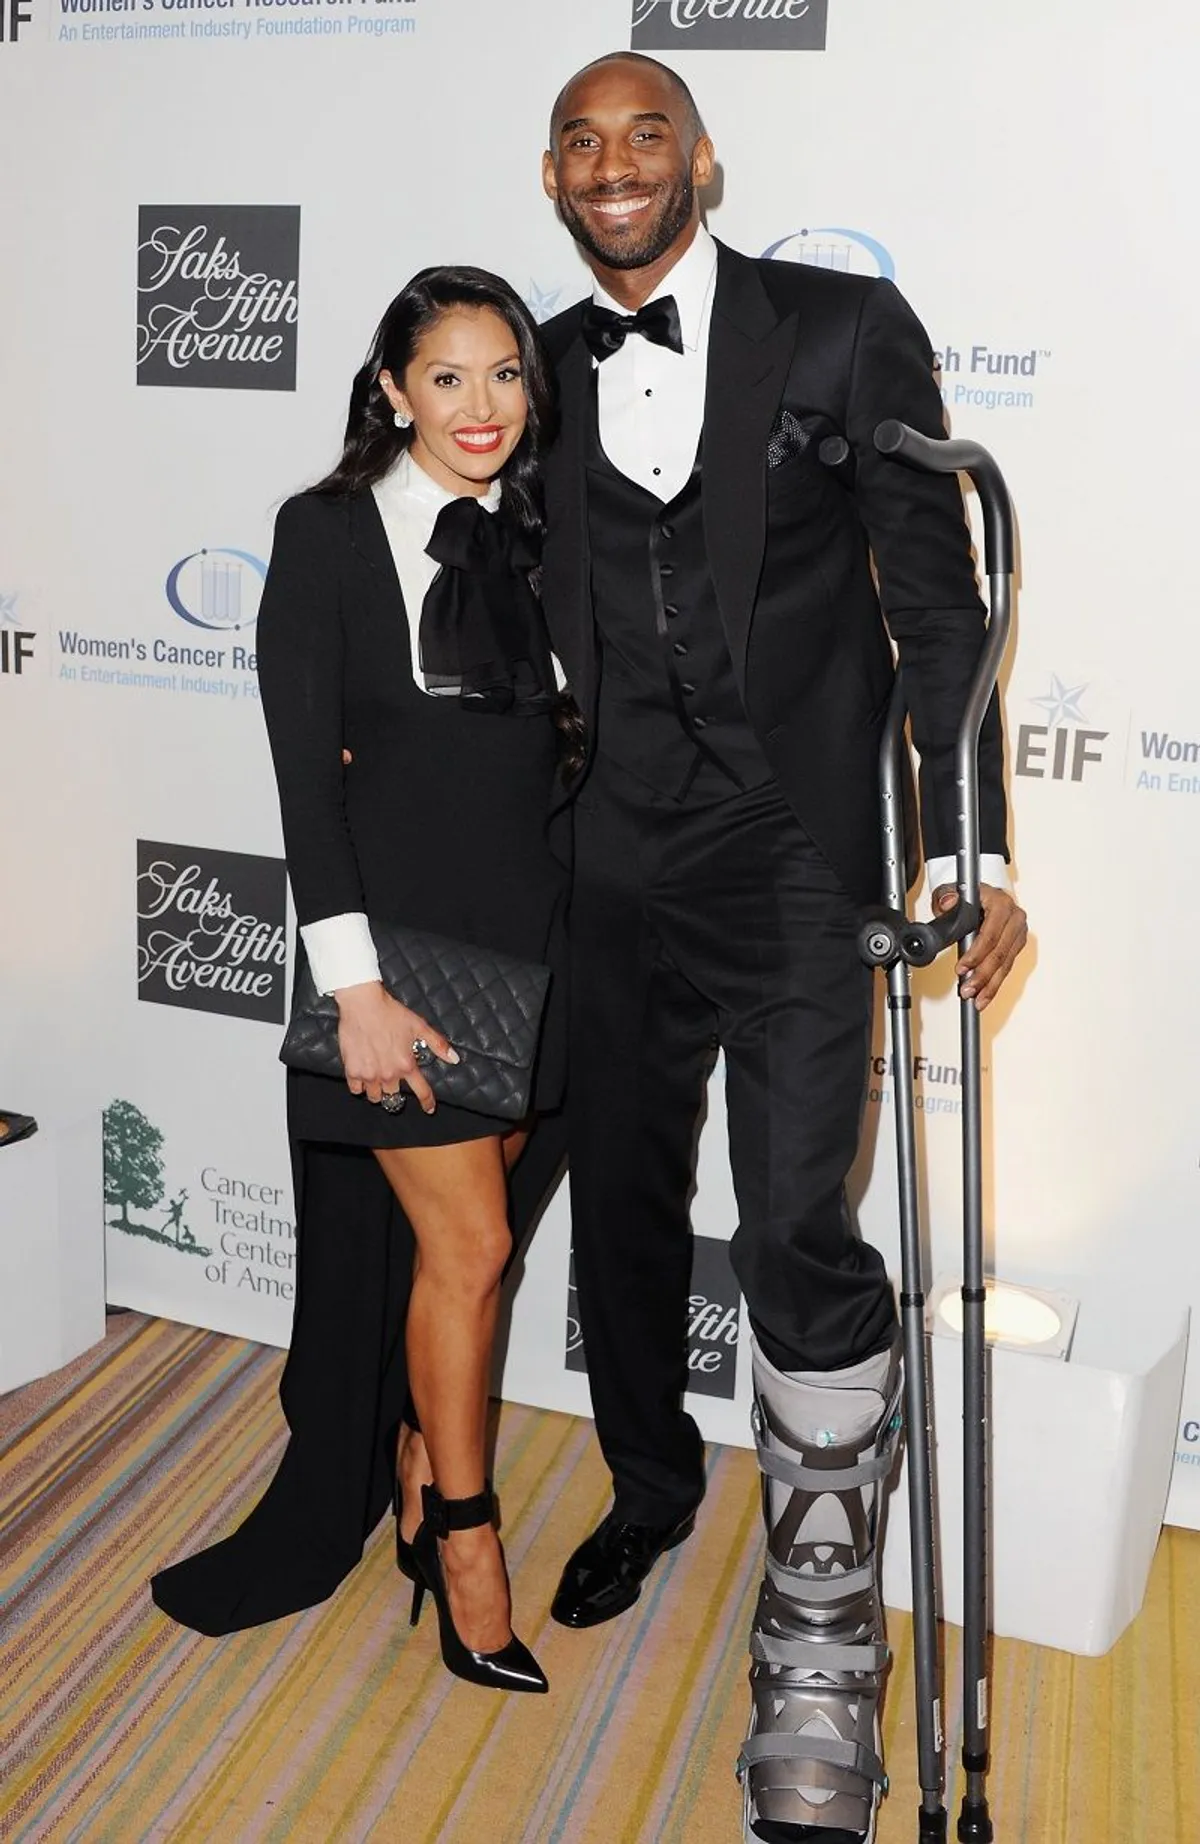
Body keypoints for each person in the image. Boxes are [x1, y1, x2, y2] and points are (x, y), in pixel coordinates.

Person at [538, 52, 1028, 1841]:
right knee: (623, 1199)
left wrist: (967, 849)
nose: (614, 167)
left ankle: (819, 1614)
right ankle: (654, 1488)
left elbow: (935, 601)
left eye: (643, 134)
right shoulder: (528, 363)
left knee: (798, 1212)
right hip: (602, 865)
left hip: (803, 862)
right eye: (582, 143)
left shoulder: (838, 328)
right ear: (550, 174)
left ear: (702, 159)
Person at [151, 267, 569, 1695]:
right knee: (473, 1256)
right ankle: (464, 1546)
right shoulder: (326, 532)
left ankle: (410, 1457)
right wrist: (356, 994)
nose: (480, 406)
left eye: (505, 373)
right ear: (392, 389)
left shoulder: (539, 528)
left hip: (538, 948)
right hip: (396, 963)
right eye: (446, 377)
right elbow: (304, 782)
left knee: (467, 1256)